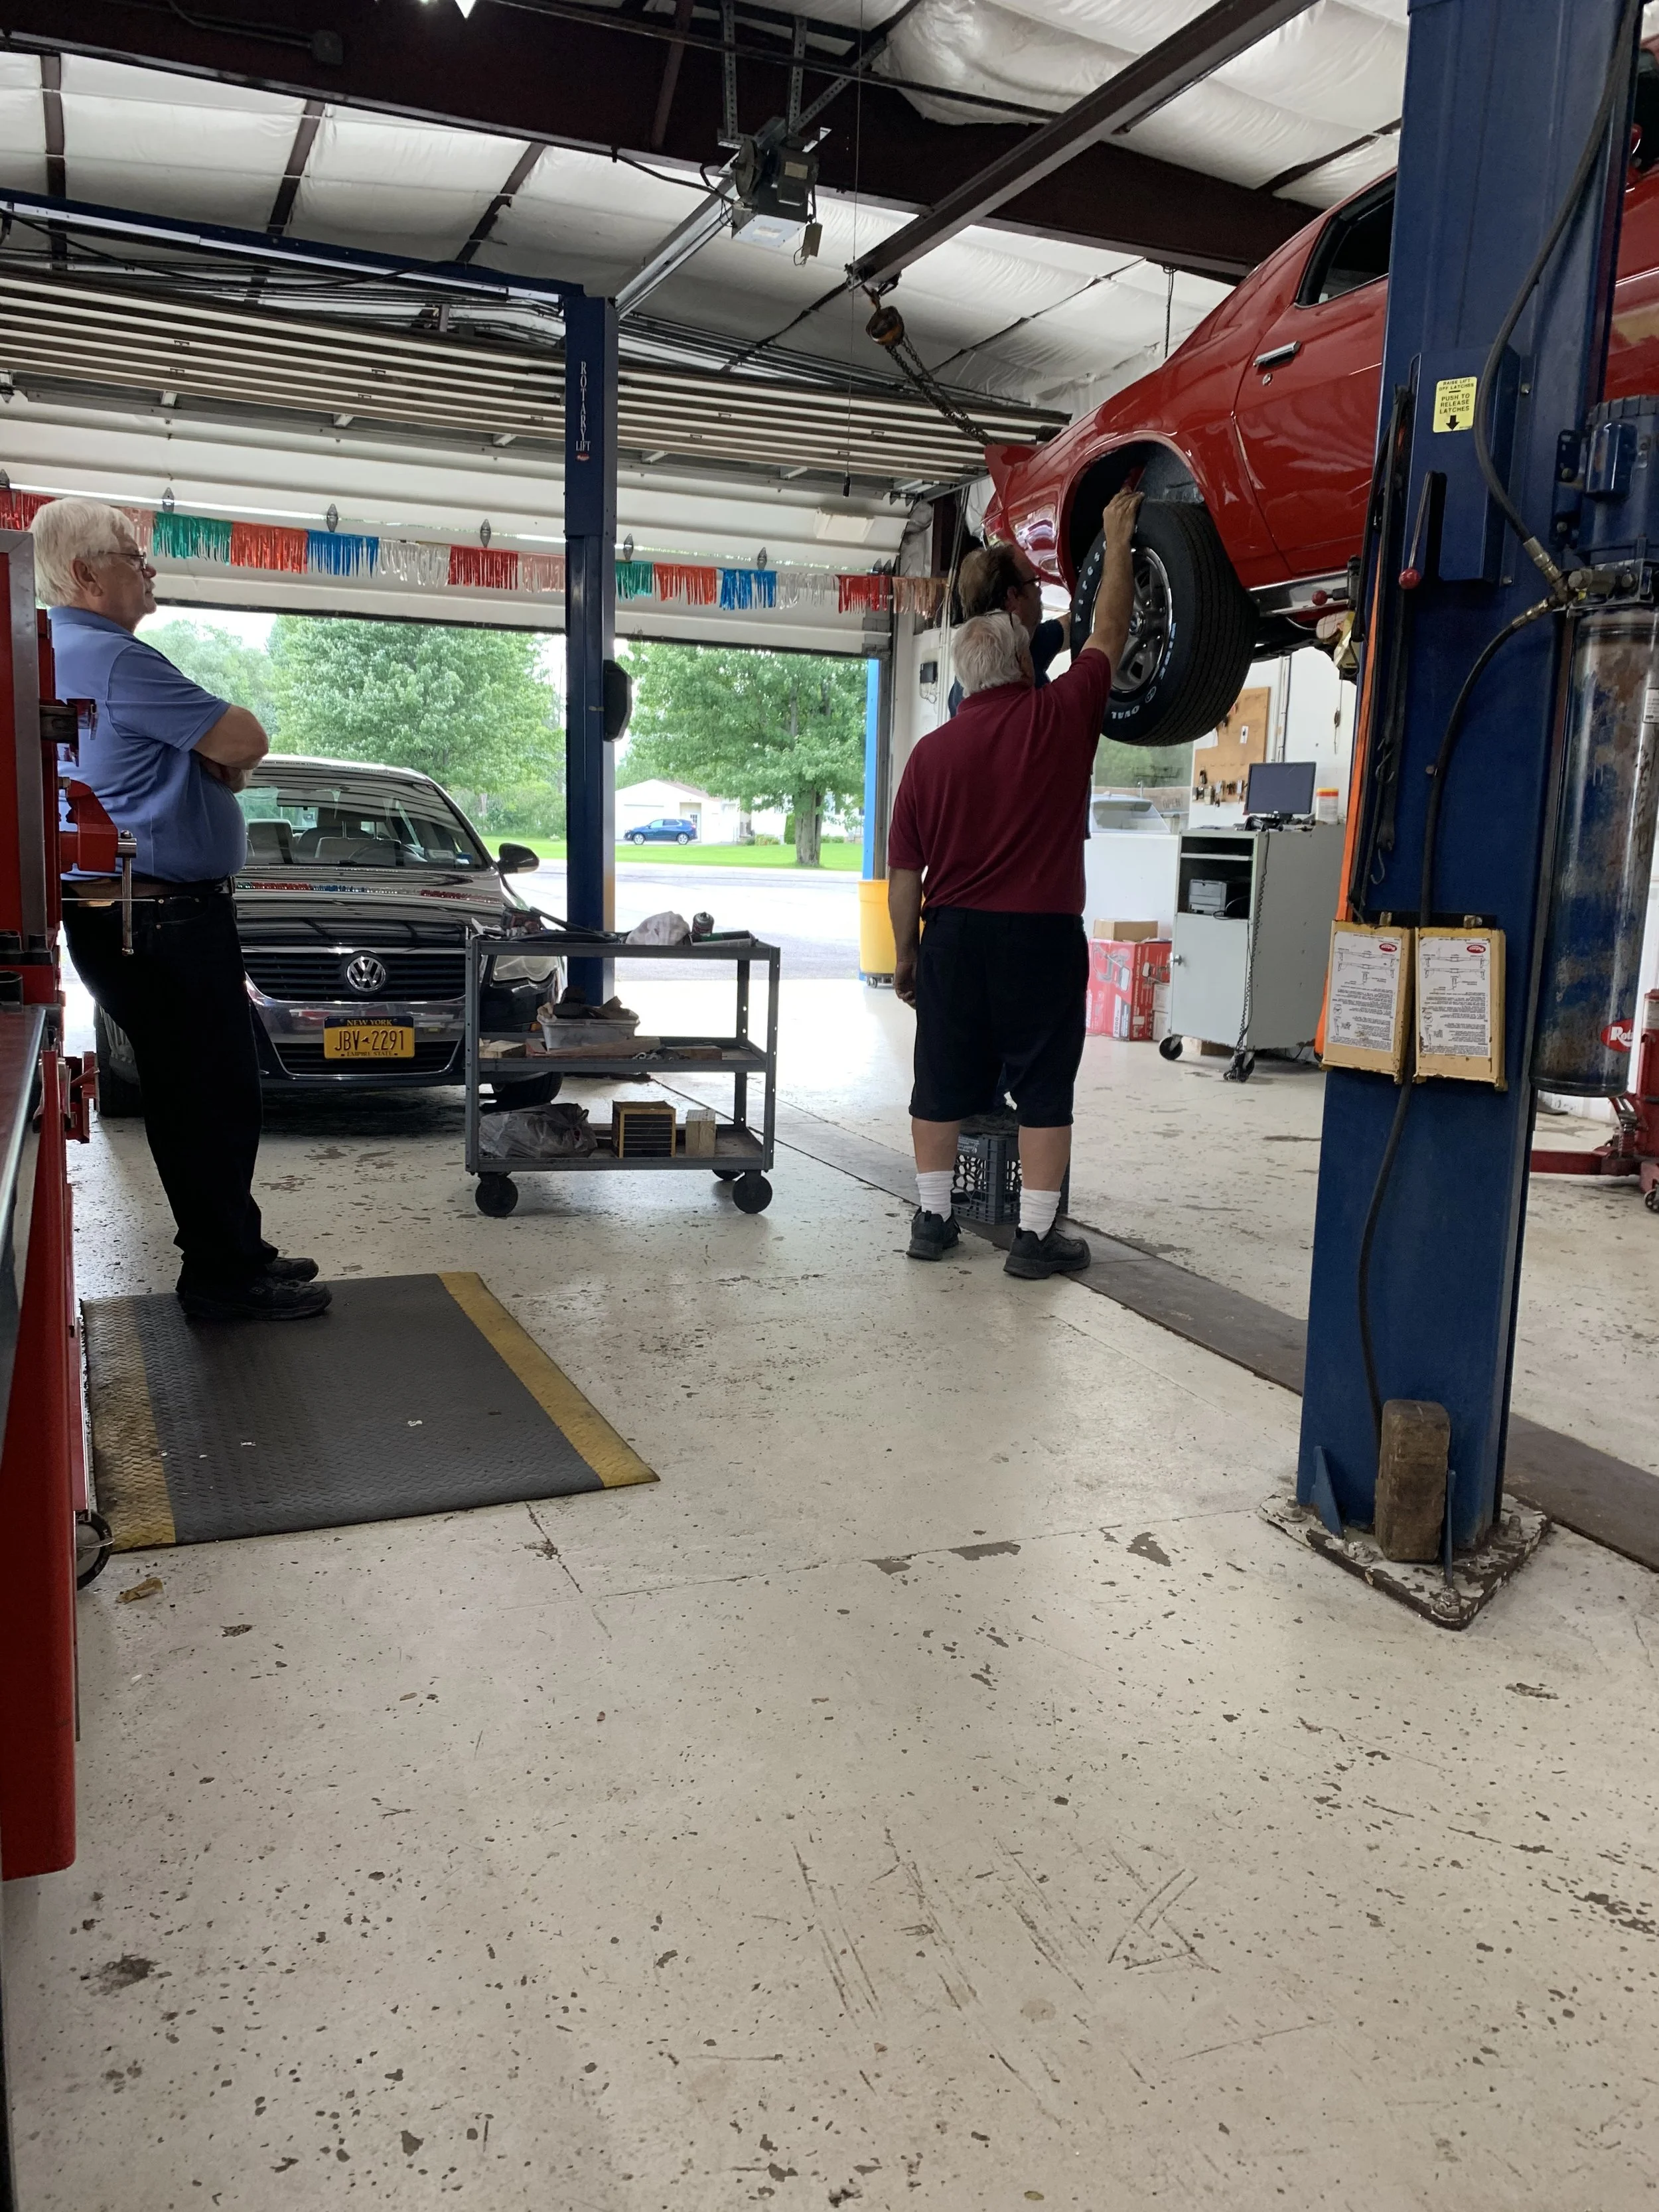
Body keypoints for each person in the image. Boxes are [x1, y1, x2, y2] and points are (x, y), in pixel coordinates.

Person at [34, 498, 328, 1323]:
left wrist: (202, 759)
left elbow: (216, 757)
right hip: (161, 917)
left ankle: (234, 1251)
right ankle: (222, 1277)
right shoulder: (116, 659)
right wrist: (208, 760)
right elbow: (243, 742)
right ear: (87, 574)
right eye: (134, 557)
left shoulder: (51, 651)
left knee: (191, 1091)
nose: (150, 570)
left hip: (123, 912)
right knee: (211, 1096)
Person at [887, 488, 1141, 1281]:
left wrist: (906, 954)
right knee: (1042, 1087)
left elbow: (904, 872)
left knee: (939, 1083)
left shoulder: (930, 756)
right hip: (1040, 937)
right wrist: (1118, 542)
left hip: (953, 937)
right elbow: (1107, 632)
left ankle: (933, 1222)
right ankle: (1033, 1240)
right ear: (1023, 661)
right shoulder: (1059, 717)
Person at [946, 539, 1068, 717]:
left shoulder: (1017, 643)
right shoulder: (1004, 682)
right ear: (1012, 597)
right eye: (1034, 582)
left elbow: (1069, 628)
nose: (1040, 591)